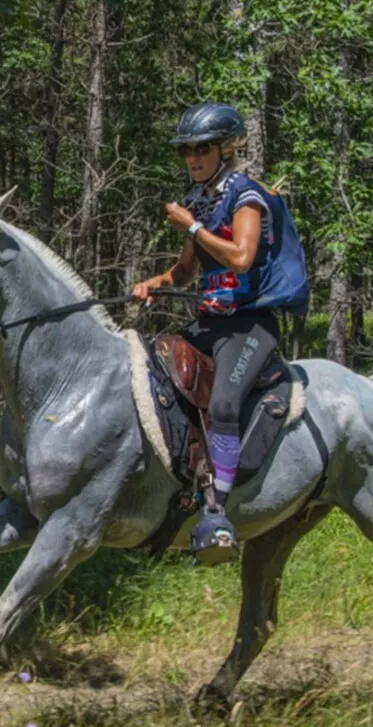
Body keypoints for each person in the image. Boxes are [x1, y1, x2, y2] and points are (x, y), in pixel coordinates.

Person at [132, 101, 310, 564]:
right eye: (186, 151)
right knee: (161, 381)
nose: (192, 158)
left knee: (226, 402)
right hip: (209, 322)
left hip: (250, 325)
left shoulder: (244, 195)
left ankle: (217, 512)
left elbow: (240, 258)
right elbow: (188, 271)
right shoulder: (198, 201)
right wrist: (157, 283)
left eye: (202, 149)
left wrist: (191, 225)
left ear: (226, 148)